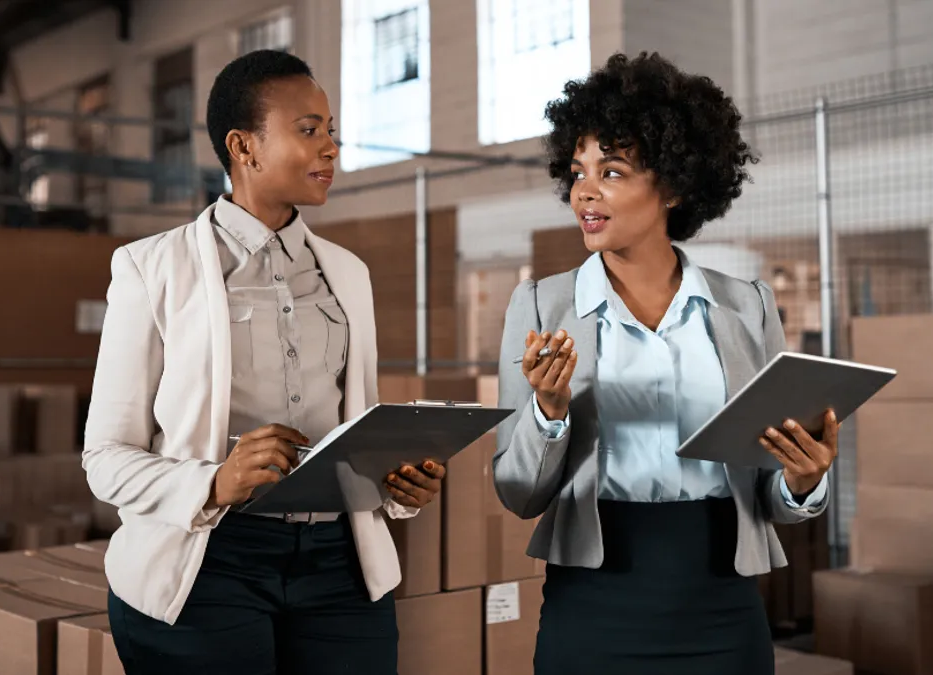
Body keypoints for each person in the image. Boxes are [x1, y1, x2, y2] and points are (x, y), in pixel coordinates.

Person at [82, 50, 444, 675]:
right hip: (209, 564)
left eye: (331, 130)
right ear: (243, 147)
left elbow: (353, 425)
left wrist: (396, 483)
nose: (331, 148)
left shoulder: (349, 275)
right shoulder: (150, 269)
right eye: (309, 131)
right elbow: (105, 460)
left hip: (339, 562)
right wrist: (215, 483)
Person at [493, 52, 838, 675]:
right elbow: (517, 493)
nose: (585, 191)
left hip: (721, 599)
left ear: (675, 185)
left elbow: (770, 492)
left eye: (613, 170)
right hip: (594, 597)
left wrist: (804, 480)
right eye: (578, 171)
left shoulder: (748, 308)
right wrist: (548, 414)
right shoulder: (542, 304)